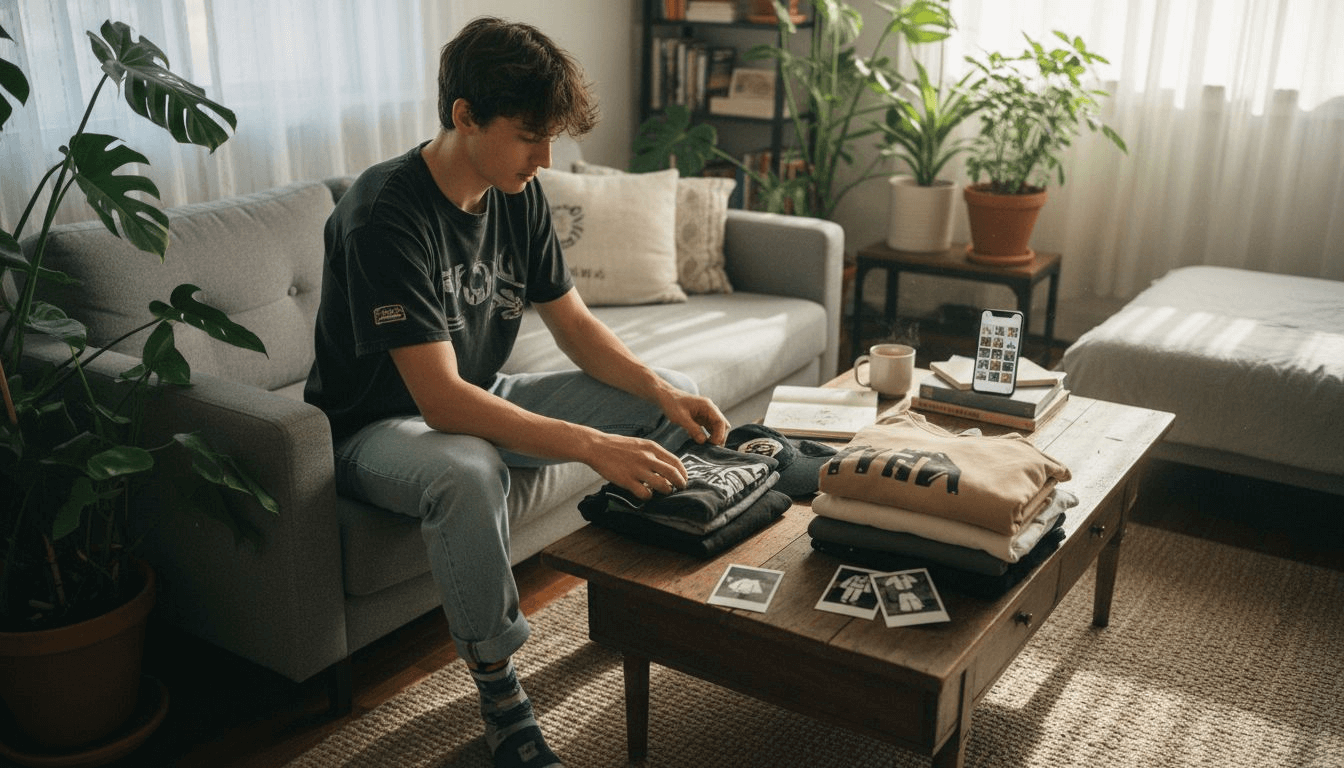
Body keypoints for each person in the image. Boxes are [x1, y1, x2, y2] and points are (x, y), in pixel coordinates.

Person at [303, 17, 729, 768]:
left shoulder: (517, 190)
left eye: (552, 138)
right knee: (469, 470)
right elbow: (439, 404)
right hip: (376, 427)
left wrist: (660, 391)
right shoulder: (384, 214)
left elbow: (574, 327)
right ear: (465, 115)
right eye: (530, 135)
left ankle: (636, 602)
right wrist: (591, 446)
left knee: (672, 399)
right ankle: (503, 699)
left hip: (481, 389)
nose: (545, 157)